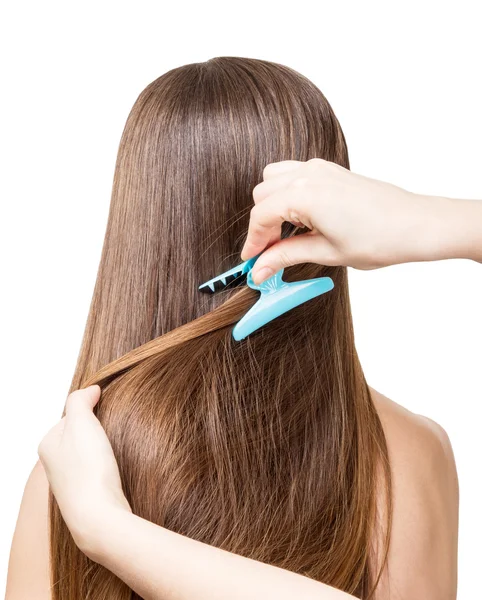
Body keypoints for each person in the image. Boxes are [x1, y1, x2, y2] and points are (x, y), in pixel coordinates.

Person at [6, 59, 462, 600]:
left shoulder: (74, 473)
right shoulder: (411, 454)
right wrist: (428, 221)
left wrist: (108, 530)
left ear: (143, 233)